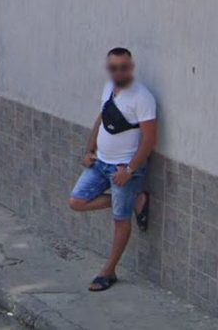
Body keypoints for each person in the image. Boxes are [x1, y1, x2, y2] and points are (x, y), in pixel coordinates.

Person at [69, 48, 157, 292]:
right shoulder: (109, 88)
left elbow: (150, 139)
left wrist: (129, 170)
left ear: (131, 68)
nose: (119, 72)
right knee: (77, 201)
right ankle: (135, 199)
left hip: (123, 169)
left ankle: (108, 272)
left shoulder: (142, 97)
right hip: (100, 163)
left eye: (123, 67)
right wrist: (89, 150)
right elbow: (101, 120)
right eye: (114, 67)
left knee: (121, 220)